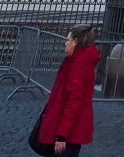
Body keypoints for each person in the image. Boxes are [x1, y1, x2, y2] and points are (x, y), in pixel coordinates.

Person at [35, 25, 99, 156]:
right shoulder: (79, 61)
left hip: (68, 131)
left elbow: (74, 102)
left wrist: (61, 135)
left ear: (75, 42)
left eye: (68, 40)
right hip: (71, 127)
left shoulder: (78, 64)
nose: (65, 43)